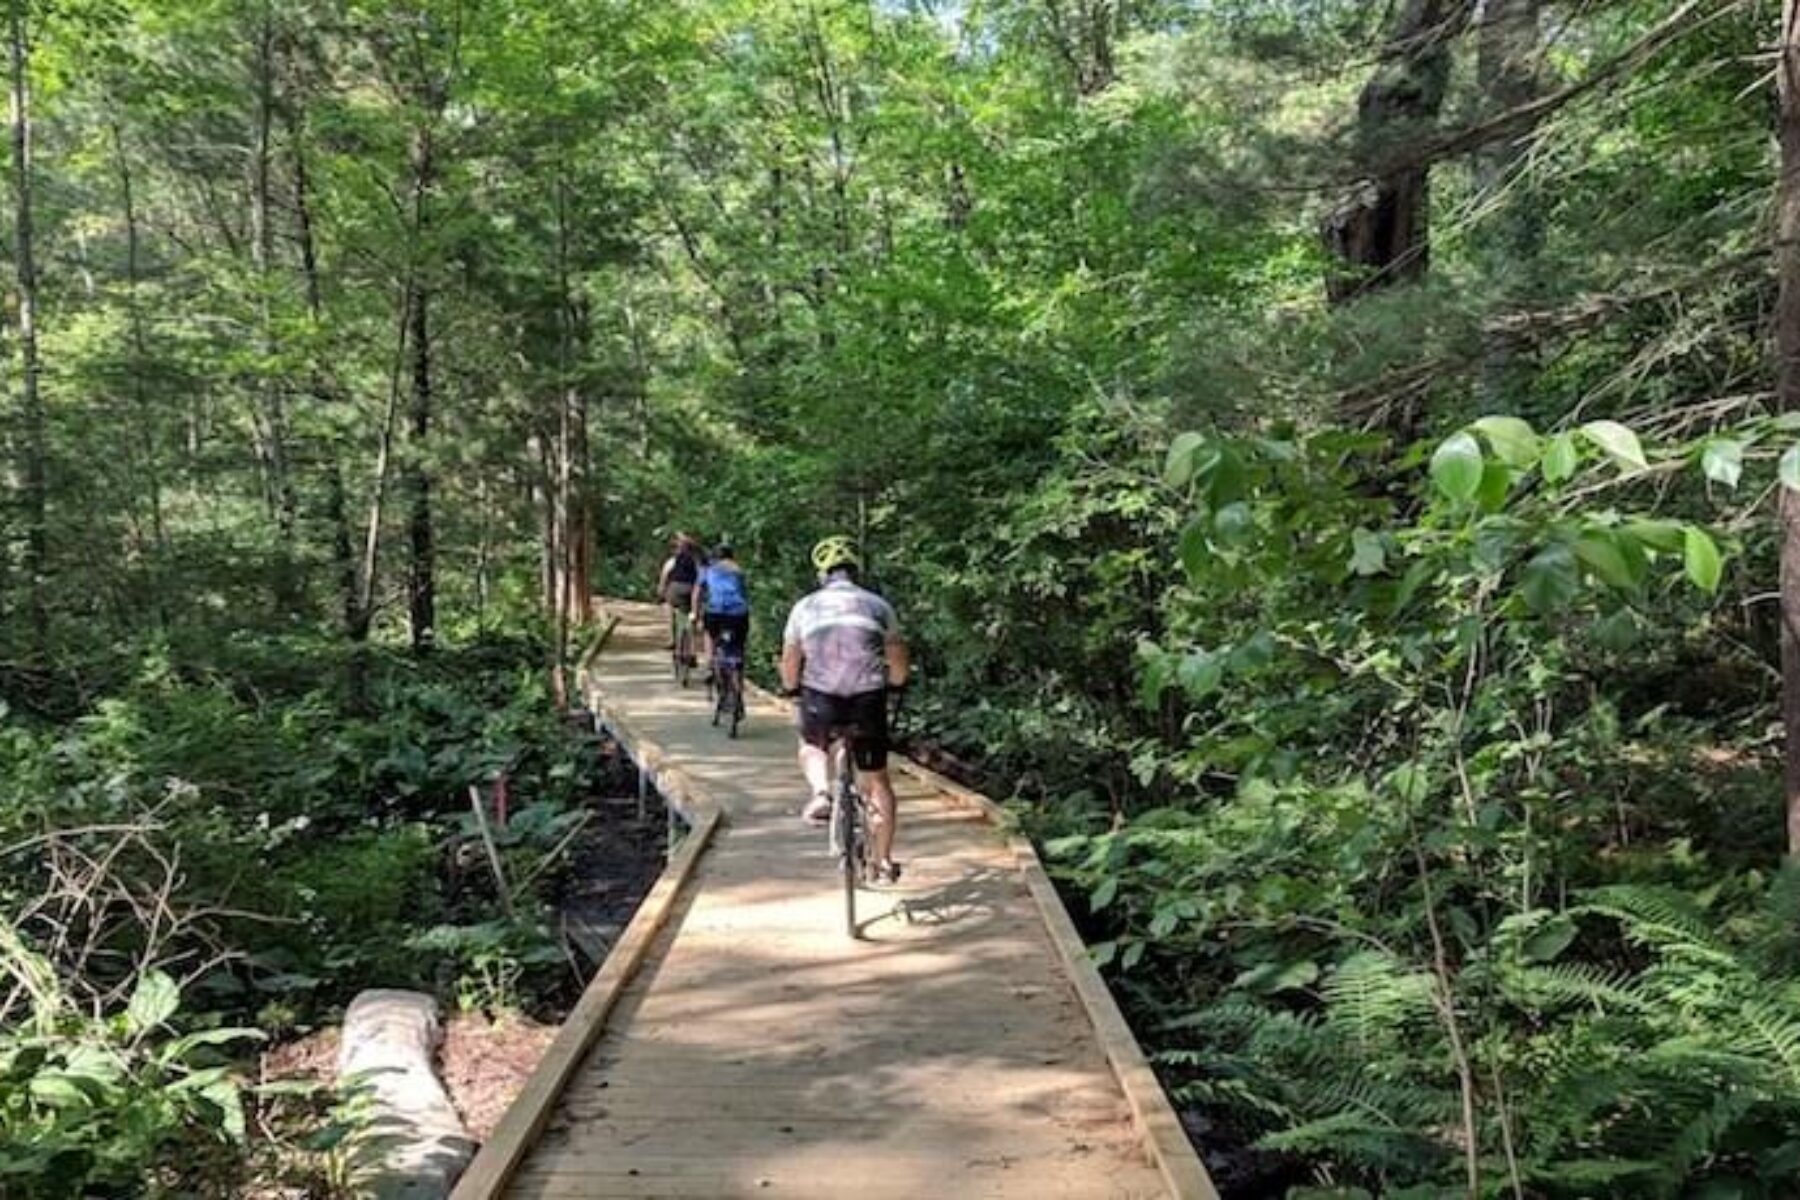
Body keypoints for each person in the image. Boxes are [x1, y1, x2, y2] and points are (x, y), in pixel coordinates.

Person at [780, 535, 910, 882]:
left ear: (822, 575)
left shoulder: (805, 607)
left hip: (821, 696)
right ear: (856, 572)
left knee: (811, 746)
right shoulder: (878, 605)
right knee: (878, 779)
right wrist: (897, 683)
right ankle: (882, 861)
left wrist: (791, 688)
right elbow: (897, 657)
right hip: (868, 697)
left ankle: (822, 792)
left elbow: (792, 659)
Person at [692, 543, 751, 675]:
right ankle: (738, 665)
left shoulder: (708, 569)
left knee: (710, 634)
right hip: (738, 612)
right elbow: (744, 593)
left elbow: (697, 592)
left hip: (715, 610)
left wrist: (695, 614)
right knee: (738, 640)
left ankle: (710, 664)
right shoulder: (738, 570)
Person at [657, 534, 701, 651]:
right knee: (691, 614)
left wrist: (661, 589)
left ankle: (672, 639)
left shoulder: (673, 560)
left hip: (676, 588)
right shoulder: (696, 560)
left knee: (670, 609)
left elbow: (665, 575)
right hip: (692, 588)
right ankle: (691, 648)